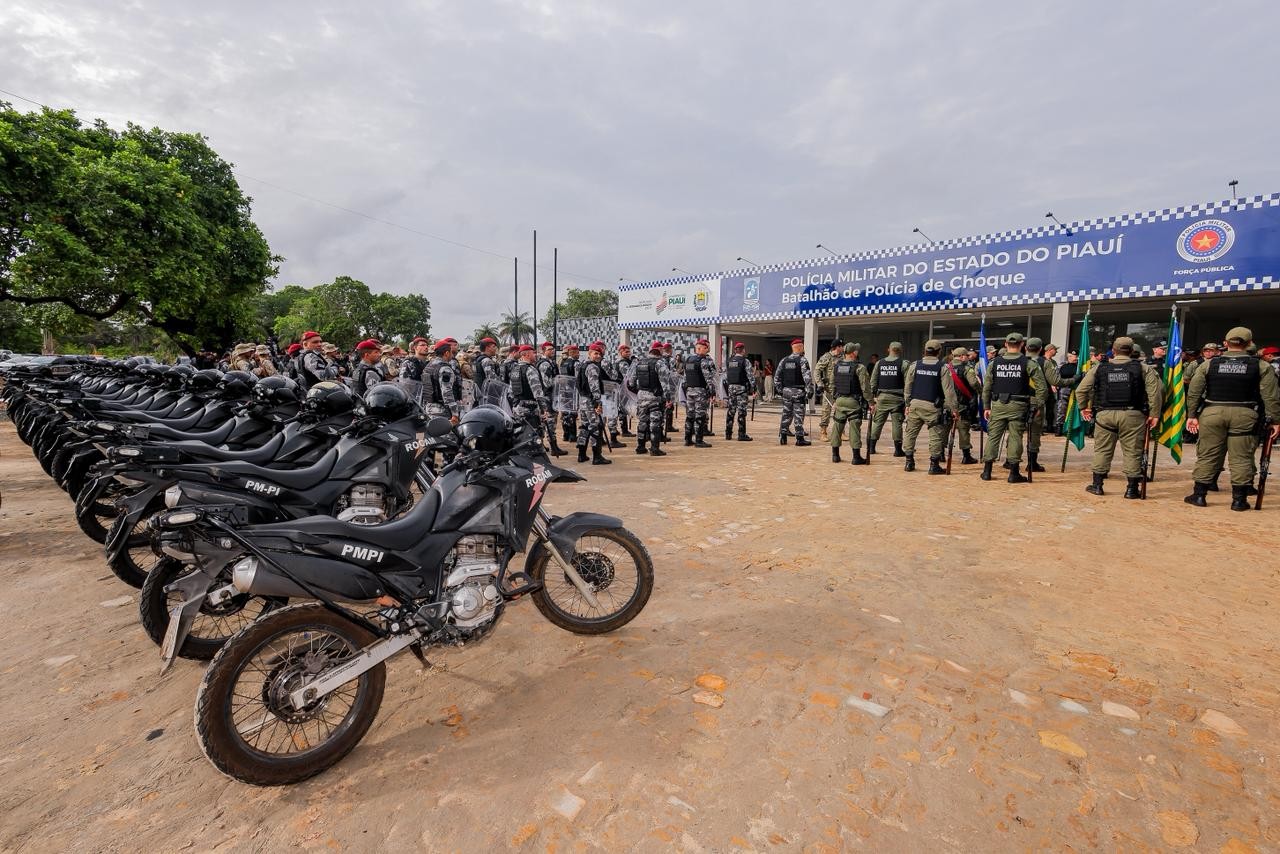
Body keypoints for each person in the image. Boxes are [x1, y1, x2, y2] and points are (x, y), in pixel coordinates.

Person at [1185, 326, 1280, 510]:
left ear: (1226, 343)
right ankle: (1239, 500)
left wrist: (1191, 415)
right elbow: (1271, 396)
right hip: (1245, 414)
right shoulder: (1261, 366)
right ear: (1249, 343)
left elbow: (1194, 391)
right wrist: (1275, 420)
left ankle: (1199, 495)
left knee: (1208, 454)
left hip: (1212, 412)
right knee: (1242, 457)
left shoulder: (1209, 364)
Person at [1075, 336, 1162, 498]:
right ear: (1132, 351)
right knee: (1133, 452)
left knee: (1102, 450)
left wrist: (1083, 408)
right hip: (1133, 415)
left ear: (1113, 351)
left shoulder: (1099, 368)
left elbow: (1081, 390)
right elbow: (1155, 393)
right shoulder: (1143, 368)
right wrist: (1155, 414)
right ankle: (1131, 489)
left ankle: (1097, 485)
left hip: (1105, 415)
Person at [980, 332, 1048, 483]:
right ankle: (1014, 473)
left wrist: (986, 406)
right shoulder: (1028, 363)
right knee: (1015, 436)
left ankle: (987, 471)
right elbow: (1042, 388)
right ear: (1022, 345)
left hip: (998, 405)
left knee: (993, 437)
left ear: (1005, 344)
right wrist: (1037, 405)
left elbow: (987, 387)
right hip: (1018, 405)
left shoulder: (995, 363)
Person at [902, 340, 958, 474]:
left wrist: (907, 403)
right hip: (933, 406)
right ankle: (934, 465)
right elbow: (949, 392)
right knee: (935, 436)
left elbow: (908, 386)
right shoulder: (943, 367)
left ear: (925, 350)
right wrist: (954, 409)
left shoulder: (915, 365)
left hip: (915, 404)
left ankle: (909, 462)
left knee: (910, 433)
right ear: (939, 352)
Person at [1024, 337, 1069, 472]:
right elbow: (1056, 381)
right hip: (1036, 400)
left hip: (1018, 400)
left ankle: (1011, 461)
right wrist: (1073, 380)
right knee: (1035, 432)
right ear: (1040, 349)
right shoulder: (1045, 362)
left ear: (1026, 348)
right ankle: (1032, 463)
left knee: (1016, 431)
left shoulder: (1019, 361)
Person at [509, 344, 564, 456]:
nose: (536, 355)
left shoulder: (515, 369)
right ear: (527, 354)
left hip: (517, 408)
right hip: (530, 408)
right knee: (535, 434)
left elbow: (510, 391)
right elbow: (537, 392)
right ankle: (535, 458)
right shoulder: (530, 370)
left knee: (521, 434)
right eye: (533, 353)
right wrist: (544, 409)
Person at [628, 341, 674, 457]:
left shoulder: (639, 362)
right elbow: (665, 383)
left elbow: (631, 382)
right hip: (655, 397)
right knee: (655, 423)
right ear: (659, 351)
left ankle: (640, 447)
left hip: (641, 396)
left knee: (642, 421)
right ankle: (654, 448)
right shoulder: (660, 363)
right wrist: (668, 398)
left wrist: (639, 391)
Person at [829, 342, 870, 464]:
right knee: (854, 428)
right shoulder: (859, 367)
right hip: (854, 402)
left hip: (840, 401)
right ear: (853, 353)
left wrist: (835, 399)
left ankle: (835, 455)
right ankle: (856, 457)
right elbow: (865, 388)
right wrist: (871, 402)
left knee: (837, 427)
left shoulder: (836, 365)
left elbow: (832, 384)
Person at [868, 341, 908, 456]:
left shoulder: (879, 363)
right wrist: (907, 400)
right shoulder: (904, 364)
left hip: (882, 398)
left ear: (888, 350)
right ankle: (898, 450)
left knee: (877, 423)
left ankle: (871, 447)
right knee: (897, 424)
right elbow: (908, 384)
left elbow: (873, 383)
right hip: (898, 399)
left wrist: (872, 399)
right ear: (900, 351)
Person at [576, 342, 612, 465]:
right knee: (596, 427)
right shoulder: (593, 367)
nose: (598, 356)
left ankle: (581, 454)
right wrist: (598, 402)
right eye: (595, 353)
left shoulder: (582, 365)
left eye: (599, 354)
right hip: (591, 401)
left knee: (584, 427)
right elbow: (594, 386)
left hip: (583, 400)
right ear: (589, 353)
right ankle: (597, 456)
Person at [947, 346, 982, 464]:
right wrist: (980, 391)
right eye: (966, 355)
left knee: (943, 429)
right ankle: (966, 456)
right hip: (962, 403)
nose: (968, 357)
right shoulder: (966, 368)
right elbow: (973, 382)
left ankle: (940, 454)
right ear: (962, 357)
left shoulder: (945, 367)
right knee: (963, 429)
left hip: (946, 404)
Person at [775, 338, 813, 446]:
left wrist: (780, 390)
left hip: (786, 391)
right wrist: (810, 390)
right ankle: (799, 438)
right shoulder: (802, 360)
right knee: (798, 414)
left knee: (786, 413)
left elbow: (777, 377)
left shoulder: (784, 360)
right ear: (800, 347)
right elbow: (807, 377)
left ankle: (783, 437)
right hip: (798, 391)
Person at [682, 338, 717, 448]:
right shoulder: (703, 361)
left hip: (689, 391)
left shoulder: (688, 360)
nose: (707, 350)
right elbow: (709, 379)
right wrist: (712, 393)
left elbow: (684, 378)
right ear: (701, 348)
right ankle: (699, 440)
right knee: (700, 416)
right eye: (705, 348)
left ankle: (687, 439)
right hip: (700, 392)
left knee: (690, 416)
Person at [423, 339, 462, 424]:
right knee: (448, 436)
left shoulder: (429, 366)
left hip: (428, 408)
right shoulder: (445, 369)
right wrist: (455, 413)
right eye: (451, 352)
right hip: (442, 411)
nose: (452, 354)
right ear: (447, 353)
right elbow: (447, 392)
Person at [723, 341, 756, 441]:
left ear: (735, 350)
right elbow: (751, 376)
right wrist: (754, 388)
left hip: (731, 388)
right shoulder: (745, 361)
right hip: (741, 389)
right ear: (743, 350)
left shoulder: (729, 361)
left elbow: (725, 376)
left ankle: (728, 433)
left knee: (731, 411)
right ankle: (741, 434)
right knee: (741, 411)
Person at [815, 339, 843, 442]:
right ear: (837, 347)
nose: (843, 348)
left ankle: (840, 432)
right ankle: (823, 432)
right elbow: (817, 370)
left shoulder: (843, 358)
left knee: (840, 411)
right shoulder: (827, 357)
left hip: (840, 389)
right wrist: (820, 384)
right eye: (841, 346)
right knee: (826, 411)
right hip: (829, 389)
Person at [559, 344, 581, 442]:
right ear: (572, 352)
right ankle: (572, 435)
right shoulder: (575, 363)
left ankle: (565, 434)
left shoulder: (563, 363)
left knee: (565, 413)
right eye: (577, 352)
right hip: (573, 391)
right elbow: (578, 378)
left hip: (564, 391)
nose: (579, 354)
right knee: (572, 413)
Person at [614, 343, 636, 437]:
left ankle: (616, 430)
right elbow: (627, 376)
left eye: (629, 351)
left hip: (621, 388)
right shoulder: (622, 363)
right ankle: (624, 431)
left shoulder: (625, 361)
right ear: (620, 352)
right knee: (622, 410)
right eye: (626, 352)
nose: (628, 353)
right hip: (621, 389)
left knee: (621, 409)